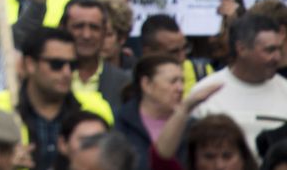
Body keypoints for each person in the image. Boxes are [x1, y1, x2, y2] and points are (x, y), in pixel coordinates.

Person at [0, 28, 114, 170]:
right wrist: (5, 162)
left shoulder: (96, 109)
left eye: (72, 65)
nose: (66, 72)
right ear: (30, 64)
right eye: (56, 64)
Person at [189, 14, 287, 150]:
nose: (277, 57)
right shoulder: (204, 94)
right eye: (269, 50)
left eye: (279, 49)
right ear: (241, 49)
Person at [112, 55, 184, 167]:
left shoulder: (190, 125)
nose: (180, 88)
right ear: (146, 84)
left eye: (182, 81)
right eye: (173, 81)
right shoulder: (118, 122)